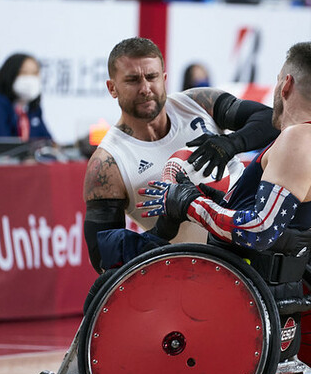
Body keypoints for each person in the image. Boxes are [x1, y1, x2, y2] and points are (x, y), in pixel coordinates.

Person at [137, 41, 311, 283]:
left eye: (277, 80)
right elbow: (283, 223)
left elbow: (260, 231)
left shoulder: (299, 138)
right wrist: (209, 199)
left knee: (120, 259)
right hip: (260, 285)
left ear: (286, 84)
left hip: (246, 289)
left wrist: (187, 202)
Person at [83, 37, 279, 273]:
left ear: (164, 79)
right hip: (202, 271)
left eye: (152, 77)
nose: (145, 88)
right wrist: (164, 229)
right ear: (112, 88)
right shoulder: (107, 164)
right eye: (133, 80)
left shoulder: (198, 103)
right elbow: (103, 259)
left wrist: (230, 143)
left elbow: (272, 121)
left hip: (258, 238)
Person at [0, 53, 52, 146]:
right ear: (10, 74)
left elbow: (47, 142)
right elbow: (1, 146)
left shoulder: (33, 108)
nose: (30, 79)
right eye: (24, 73)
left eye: (34, 73)